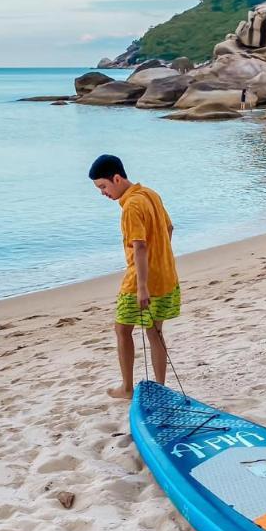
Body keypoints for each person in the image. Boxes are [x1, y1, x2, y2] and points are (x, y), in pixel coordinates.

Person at [88, 154, 180, 400]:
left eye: (103, 186)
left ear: (116, 178)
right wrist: (160, 259)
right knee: (155, 332)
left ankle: (127, 388)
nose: (103, 193)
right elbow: (169, 228)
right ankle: (160, 387)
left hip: (142, 280)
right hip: (166, 275)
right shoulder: (151, 194)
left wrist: (141, 286)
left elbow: (138, 246)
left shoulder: (130, 206)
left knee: (122, 329)